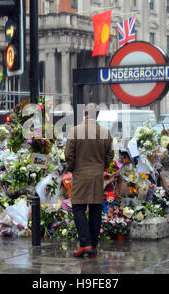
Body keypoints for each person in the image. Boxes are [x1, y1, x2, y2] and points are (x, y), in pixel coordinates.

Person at [65, 103, 114, 258]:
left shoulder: (75, 131)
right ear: (97, 115)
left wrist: (72, 168)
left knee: (78, 208)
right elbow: (110, 156)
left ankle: (85, 244)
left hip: (80, 175)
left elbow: (68, 155)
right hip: (97, 177)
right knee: (95, 210)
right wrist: (102, 166)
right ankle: (93, 246)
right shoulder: (105, 132)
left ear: (84, 113)